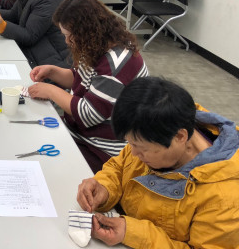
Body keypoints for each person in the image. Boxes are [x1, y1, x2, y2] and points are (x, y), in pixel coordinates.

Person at [77, 77, 239, 248]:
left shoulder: (224, 200)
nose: (133, 153)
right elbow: (120, 166)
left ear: (180, 137)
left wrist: (131, 233)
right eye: (130, 143)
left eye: (141, 148)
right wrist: (104, 188)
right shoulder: (154, 128)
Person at [28, 0, 148, 172]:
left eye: (69, 36)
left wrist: (51, 91)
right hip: (83, 134)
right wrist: (53, 72)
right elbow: (81, 79)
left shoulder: (116, 64)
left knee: (47, 168)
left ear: (86, 31)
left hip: (105, 149)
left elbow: (88, 114)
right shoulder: (97, 44)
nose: (67, 42)